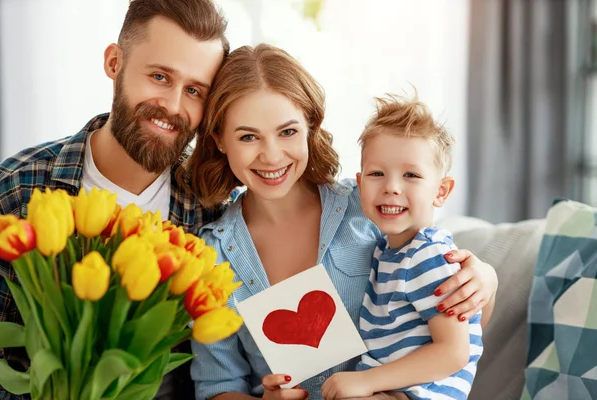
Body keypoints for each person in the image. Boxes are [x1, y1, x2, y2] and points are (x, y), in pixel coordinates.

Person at [189, 43, 497, 400]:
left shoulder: (370, 205)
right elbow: (217, 387)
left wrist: (485, 281)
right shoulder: (211, 256)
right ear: (219, 140)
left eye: (287, 132)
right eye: (247, 136)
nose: (271, 155)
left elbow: (458, 322)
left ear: (310, 127)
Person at [0, 1, 228, 398]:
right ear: (114, 62)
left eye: (194, 91)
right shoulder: (17, 189)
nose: (173, 106)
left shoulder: (216, 209)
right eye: (159, 76)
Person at [321, 95, 484, 400]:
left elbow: (454, 351)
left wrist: (367, 381)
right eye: (376, 174)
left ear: (441, 191)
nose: (391, 186)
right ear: (359, 183)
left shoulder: (429, 254)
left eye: (411, 175)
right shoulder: (386, 251)